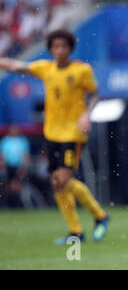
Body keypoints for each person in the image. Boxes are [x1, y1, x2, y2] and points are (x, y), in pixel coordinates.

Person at [0, 29, 110, 243]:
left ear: (70, 48)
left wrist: (87, 114)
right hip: (52, 133)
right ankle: (77, 231)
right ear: (50, 49)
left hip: (73, 133)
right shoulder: (45, 69)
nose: (59, 50)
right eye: (55, 46)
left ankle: (100, 215)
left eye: (63, 46)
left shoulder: (81, 70)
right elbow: (15, 66)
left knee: (63, 178)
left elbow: (95, 94)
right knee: (56, 182)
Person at [0, 124, 30, 208]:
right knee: (8, 186)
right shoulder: (5, 141)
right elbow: (2, 155)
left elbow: (26, 155)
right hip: (8, 166)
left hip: (19, 166)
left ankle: (16, 205)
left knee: (16, 185)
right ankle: (7, 204)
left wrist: (24, 167)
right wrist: (3, 166)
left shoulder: (23, 140)